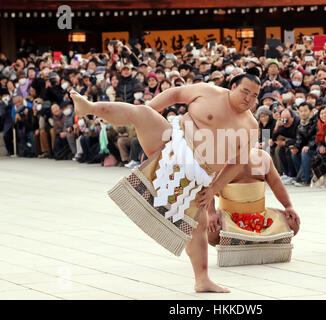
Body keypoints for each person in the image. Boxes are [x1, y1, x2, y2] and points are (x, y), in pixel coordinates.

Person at [70, 70, 261, 293]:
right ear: (233, 86)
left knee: (197, 227)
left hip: (199, 175)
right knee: (141, 112)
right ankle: (89, 108)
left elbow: (238, 162)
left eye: (254, 95)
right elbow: (176, 93)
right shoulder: (209, 92)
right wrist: (152, 110)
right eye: (245, 91)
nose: (248, 98)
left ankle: (202, 280)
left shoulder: (251, 126)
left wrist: (215, 188)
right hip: (171, 144)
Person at [206, 148, 300, 266]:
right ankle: (246, 244)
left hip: (260, 217)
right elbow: (207, 187)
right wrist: (211, 213)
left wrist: (288, 206)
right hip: (229, 218)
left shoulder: (262, 157)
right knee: (212, 232)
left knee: (293, 223)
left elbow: (276, 183)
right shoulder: (218, 159)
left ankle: (255, 243)